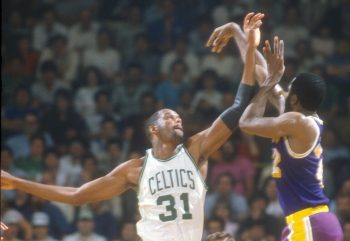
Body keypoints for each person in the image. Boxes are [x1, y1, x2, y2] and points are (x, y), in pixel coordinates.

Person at [1, 13, 263, 241]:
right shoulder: (134, 170)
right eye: (169, 117)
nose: (178, 119)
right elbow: (76, 195)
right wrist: (16, 182)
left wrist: (249, 45)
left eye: (179, 116)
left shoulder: (195, 150)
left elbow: (238, 105)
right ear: (153, 129)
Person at [236, 34, 344, 240]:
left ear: (294, 99)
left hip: (309, 223)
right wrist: (242, 37)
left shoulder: (298, 122)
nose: (284, 90)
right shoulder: (298, 118)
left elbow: (246, 123)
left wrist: (270, 81)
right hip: (312, 222)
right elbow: (261, 71)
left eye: (289, 88)